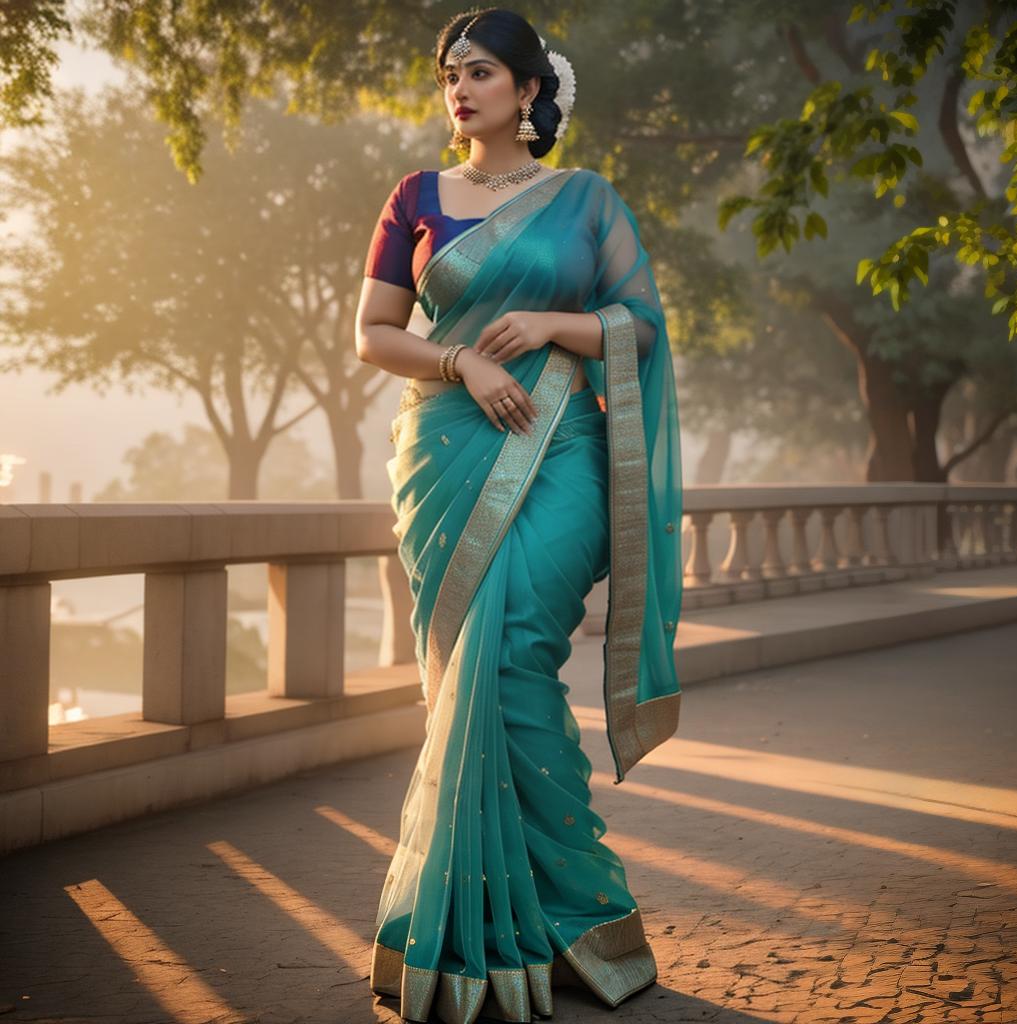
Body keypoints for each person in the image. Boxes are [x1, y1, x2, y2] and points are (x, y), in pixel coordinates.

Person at [353, 8, 683, 1023]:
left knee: (516, 653)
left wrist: (549, 325)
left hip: (560, 453)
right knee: (471, 675)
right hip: (445, 454)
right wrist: (461, 357)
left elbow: (642, 327)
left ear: (531, 91)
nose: (460, 89)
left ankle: (578, 913)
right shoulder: (412, 196)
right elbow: (373, 334)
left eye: (482, 72)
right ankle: (534, 925)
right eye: (451, 73)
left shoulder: (585, 203)